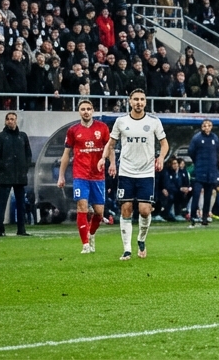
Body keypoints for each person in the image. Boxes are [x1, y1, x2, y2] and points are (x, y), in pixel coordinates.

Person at [101, 90, 168, 261]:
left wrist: (161, 157)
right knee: (126, 208)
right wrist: (106, 160)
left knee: (145, 211)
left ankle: (141, 239)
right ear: (130, 102)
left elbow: (164, 144)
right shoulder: (121, 121)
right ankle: (127, 250)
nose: (139, 102)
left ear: (145, 102)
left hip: (146, 172)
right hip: (126, 171)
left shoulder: (153, 121)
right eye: (136, 99)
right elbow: (111, 144)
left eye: (142, 99)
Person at [57, 99, 111, 253]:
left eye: (88, 109)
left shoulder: (102, 128)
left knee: (99, 212)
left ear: (92, 111)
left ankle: (91, 233)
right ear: (79, 111)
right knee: (82, 207)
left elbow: (110, 148)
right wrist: (61, 176)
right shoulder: (73, 130)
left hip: (98, 176)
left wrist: (112, 164)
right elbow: (66, 154)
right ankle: (85, 244)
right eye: (83, 109)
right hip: (80, 175)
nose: (86, 112)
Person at [0, 111, 33, 237]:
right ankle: (1, 229)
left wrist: (25, 167)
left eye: (12, 119)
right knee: (2, 203)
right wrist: (4, 166)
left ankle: (21, 229)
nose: (10, 121)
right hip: (6, 175)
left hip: (20, 175)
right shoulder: (0, 137)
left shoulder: (23, 136)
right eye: (8, 119)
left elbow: (28, 154)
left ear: (16, 121)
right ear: (5, 121)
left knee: (21, 204)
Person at [187, 119, 219, 227]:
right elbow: (191, 152)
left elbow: (218, 151)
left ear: (211, 127)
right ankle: (193, 216)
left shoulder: (215, 138)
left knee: (208, 196)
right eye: (205, 125)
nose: (207, 127)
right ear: (202, 127)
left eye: (209, 125)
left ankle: (205, 217)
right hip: (199, 171)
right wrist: (197, 162)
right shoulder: (197, 138)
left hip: (211, 172)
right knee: (196, 194)